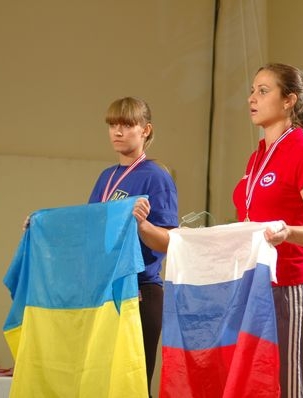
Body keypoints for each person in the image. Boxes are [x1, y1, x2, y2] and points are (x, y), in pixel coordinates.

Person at [232, 63, 303, 398]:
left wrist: (289, 232)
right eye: (252, 90)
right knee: (255, 385)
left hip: (286, 288)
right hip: (251, 284)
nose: (252, 98)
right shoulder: (256, 157)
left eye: (263, 91)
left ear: (289, 100)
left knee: (287, 387)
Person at [89, 96, 178, 397]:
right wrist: (42, 226)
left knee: (131, 386)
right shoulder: (106, 177)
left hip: (141, 292)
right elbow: (90, 227)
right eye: (113, 125)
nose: (118, 131)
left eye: (127, 125)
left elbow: (169, 241)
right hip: (106, 291)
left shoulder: (156, 176)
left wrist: (142, 226)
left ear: (145, 130)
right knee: (102, 383)